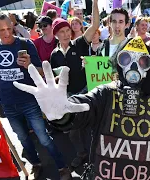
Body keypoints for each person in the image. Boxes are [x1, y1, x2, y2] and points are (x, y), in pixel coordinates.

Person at [13, 33, 150, 180]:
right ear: (118, 64)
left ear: (149, 68)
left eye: (142, 62)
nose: (134, 66)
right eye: (126, 58)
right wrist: (60, 112)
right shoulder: (106, 93)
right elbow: (81, 110)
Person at [0, 13, 71, 179]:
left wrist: (29, 65)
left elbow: (42, 71)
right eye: (1, 30)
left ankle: (61, 166)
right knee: (23, 138)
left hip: (29, 100)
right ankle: (36, 164)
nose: (7, 33)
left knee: (43, 137)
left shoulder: (25, 44)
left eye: (9, 28)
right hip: (8, 102)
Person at [49, 1, 99, 168]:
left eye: (67, 31)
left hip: (85, 94)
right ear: (55, 35)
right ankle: (81, 153)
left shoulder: (79, 43)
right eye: (61, 32)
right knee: (73, 132)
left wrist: (95, 3)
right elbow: (54, 78)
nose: (65, 34)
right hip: (68, 97)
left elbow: (95, 25)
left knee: (91, 128)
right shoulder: (53, 55)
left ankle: (95, 156)